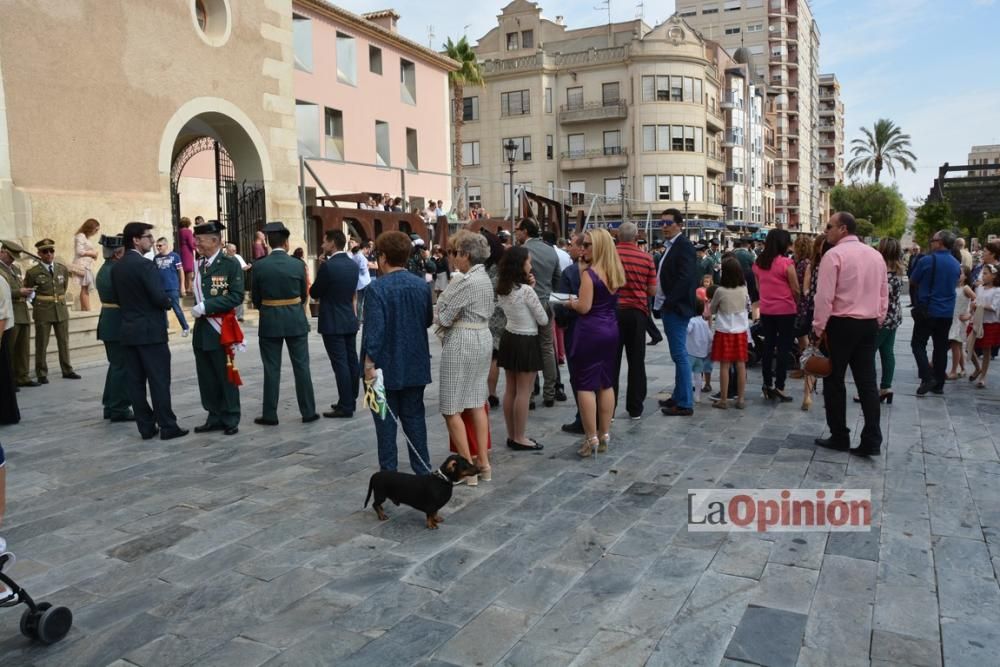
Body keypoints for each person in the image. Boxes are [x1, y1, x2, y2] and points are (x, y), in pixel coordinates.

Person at [813, 212, 888, 457]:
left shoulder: (833, 255)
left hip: (841, 323)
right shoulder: (875, 255)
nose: (827, 231)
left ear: (843, 229)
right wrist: (878, 317)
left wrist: (818, 327)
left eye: (829, 226)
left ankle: (839, 435)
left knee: (834, 380)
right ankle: (872, 438)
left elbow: (824, 297)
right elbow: (882, 293)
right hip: (868, 323)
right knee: (867, 382)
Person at [361, 231, 434, 474]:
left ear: (382, 257)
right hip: (415, 363)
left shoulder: (376, 289)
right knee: (415, 422)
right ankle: (423, 472)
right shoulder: (421, 286)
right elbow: (426, 320)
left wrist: (368, 364)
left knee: (385, 426)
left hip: (383, 367)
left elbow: (374, 332)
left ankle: (389, 476)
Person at [113, 222, 188, 441]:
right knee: (159, 379)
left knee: (135, 382)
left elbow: (117, 299)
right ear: (136, 240)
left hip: (128, 330)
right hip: (150, 332)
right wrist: (167, 302)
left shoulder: (117, 267)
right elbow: (159, 297)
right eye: (148, 237)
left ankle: (145, 426)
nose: (152, 241)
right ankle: (167, 425)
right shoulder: (145, 266)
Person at [435, 231, 494, 484]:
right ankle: (484, 463)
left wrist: (445, 305)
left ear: (466, 255)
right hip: (482, 338)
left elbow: (444, 317)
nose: (454, 257)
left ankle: (467, 468)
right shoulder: (484, 278)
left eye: (456, 252)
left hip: (463, 341)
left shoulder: (467, 281)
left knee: (451, 407)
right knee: (475, 401)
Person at [251, 222, 319, 426]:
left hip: (270, 320)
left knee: (271, 369)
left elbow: (255, 298)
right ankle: (308, 411)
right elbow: (302, 293)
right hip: (295, 320)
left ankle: (270, 414)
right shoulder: (298, 265)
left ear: (269, 243)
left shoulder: (260, 265)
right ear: (286, 242)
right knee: (302, 367)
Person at [567, 229, 623, 456]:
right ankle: (605, 433)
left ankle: (591, 438)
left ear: (598, 247)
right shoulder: (614, 271)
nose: (583, 248)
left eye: (588, 245)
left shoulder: (590, 275)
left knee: (585, 385)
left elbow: (584, 307)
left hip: (590, 331)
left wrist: (571, 303)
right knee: (606, 383)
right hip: (611, 328)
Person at [191, 220, 244, 435]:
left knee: (225, 374)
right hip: (203, 329)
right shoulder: (200, 264)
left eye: (200, 240)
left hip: (221, 328)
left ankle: (231, 416)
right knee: (206, 376)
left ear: (214, 241)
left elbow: (236, 296)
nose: (197, 243)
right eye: (196, 239)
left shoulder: (229, 264)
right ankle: (214, 414)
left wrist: (207, 305)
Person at [496, 245, 547, 451]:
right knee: (524, 392)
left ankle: (511, 434)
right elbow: (542, 319)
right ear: (521, 264)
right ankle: (520, 436)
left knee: (511, 389)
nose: (531, 264)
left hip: (509, 337)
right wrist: (532, 291)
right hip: (526, 339)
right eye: (528, 261)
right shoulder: (526, 291)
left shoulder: (503, 287)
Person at [311, 229, 360, 418]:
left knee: (340, 363)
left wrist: (322, 268)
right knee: (351, 360)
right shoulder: (352, 265)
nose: (322, 245)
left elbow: (315, 292)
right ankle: (349, 398)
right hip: (349, 317)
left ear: (332, 243)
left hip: (332, 320)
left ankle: (346, 405)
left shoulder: (329, 267)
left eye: (324, 242)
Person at [515, 218, 564, 407]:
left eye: (517, 230)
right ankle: (550, 392)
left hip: (527, 304)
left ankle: (530, 395)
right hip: (546, 302)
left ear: (525, 231)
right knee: (547, 348)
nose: (516, 234)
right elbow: (557, 278)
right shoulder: (550, 249)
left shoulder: (522, 252)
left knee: (528, 348)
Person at [655, 209, 698, 416]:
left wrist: (669, 302)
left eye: (668, 223)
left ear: (679, 224)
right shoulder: (671, 246)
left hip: (677, 308)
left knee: (680, 355)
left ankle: (685, 403)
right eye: (661, 222)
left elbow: (686, 278)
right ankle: (679, 395)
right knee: (678, 354)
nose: (664, 226)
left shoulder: (684, 246)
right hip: (670, 306)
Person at [613, 222, 657, 420]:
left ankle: (609, 407)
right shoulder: (647, 258)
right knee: (636, 360)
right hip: (638, 313)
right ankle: (635, 407)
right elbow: (652, 291)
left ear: (618, 236)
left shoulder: (609, 256)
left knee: (611, 361)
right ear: (636, 237)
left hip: (613, 312)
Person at [910, 230, 962, 396]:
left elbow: (913, 280)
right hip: (946, 312)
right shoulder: (955, 263)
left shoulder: (927, 260)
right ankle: (939, 384)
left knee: (918, 344)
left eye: (933, 240)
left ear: (940, 243)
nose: (931, 242)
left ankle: (927, 377)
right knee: (940, 348)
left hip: (928, 309)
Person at [853, 237, 903, 406]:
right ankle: (886, 387)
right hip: (894, 317)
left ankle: (868, 391)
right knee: (887, 352)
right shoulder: (897, 271)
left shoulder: (881, 271)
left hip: (880, 318)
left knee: (866, 355)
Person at [753, 229, 800, 402]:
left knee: (768, 346)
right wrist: (797, 302)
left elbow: (758, 288)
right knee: (783, 348)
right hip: (786, 310)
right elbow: (795, 288)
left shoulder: (758, 263)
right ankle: (780, 386)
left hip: (767, 310)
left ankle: (767, 384)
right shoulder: (786, 263)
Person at [23, 239, 80, 382]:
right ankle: (41, 373)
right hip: (43, 310)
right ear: (39, 254)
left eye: (51, 251)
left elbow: (63, 287)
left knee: (63, 341)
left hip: (60, 309)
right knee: (42, 343)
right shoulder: (33, 272)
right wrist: (39, 302)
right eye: (45, 251)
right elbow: (30, 292)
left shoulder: (61, 269)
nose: (49, 254)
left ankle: (67, 370)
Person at [95, 234, 133, 422]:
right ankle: (119, 408)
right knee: (122, 366)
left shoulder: (105, 269)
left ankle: (110, 404)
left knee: (116, 365)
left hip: (109, 322)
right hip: (118, 323)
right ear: (118, 253)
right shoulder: (117, 271)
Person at [556, 233, 587, 434]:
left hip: (577, 328)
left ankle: (583, 419)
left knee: (579, 377)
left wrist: (562, 322)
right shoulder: (607, 271)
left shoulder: (571, 272)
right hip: (605, 328)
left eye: (572, 245)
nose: (569, 248)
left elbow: (560, 304)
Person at [710, 257, 750, 409]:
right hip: (740, 331)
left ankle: (724, 399)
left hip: (724, 331)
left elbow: (713, 310)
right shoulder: (744, 288)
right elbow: (748, 307)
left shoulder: (720, 291)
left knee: (724, 366)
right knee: (741, 365)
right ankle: (740, 399)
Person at [0, 241, 35, 387]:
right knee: (10, 349)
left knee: (23, 347)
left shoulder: (15, 268)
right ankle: (10, 380)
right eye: (10, 256)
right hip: (10, 312)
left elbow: (19, 285)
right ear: (2, 252)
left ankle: (23, 376)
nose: (13, 259)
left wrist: (26, 292)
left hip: (22, 311)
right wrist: (18, 292)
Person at [970, 264, 999, 388]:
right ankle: (978, 367)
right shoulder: (980, 288)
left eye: (986, 273)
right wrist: (973, 306)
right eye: (983, 273)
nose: (983, 275)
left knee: (986, 350)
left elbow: (994, 307)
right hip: (977, 321)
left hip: (989, 322)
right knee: (969, 346)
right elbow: (975, 301)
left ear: (994, 276)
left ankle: (983, 376)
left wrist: (979, 306)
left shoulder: (997, 290)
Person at [153, 237, 190, 336]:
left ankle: (185, 327)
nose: (158, 248)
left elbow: (181, 271)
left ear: (166, 245)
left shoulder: (175, 256)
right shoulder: (156, 258)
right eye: (157, 246)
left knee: (176, 308)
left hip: (172, 287)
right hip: (161, 288)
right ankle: (164, 329)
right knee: (162, 310)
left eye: (160, 245)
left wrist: (182, 286)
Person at [947, 266, 976, 380]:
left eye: (961, 273)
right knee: (957, 346)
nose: (958, 275)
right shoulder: (953, 287)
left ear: (966, 276)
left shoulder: (966, 288)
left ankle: (954, 371)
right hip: (951, 319)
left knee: (954, 344)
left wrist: (970, 314)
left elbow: (976, 299)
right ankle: (963, 369)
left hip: (959, 320)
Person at [687, 298, 713, 404]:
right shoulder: (705, 323)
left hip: (690, 353)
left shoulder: (691, 321)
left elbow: (687, 330)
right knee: (698, 375)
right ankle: (697, 395)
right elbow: (710, 337)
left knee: (687, 374)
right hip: (701, 354)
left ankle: (687, 393)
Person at [0, 272, 18, 424]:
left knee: (3, 377)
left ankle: (6, 415)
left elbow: (3, 315)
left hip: (2, 332)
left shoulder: (0, 281)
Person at [72, 218, 100, 311]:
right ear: (90, 228)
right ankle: (87, 309)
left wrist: (93, 255)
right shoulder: (80, 236)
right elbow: (79, 251)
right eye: (95, 230)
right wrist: (92, 253)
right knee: (85, 287)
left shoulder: (85, 237)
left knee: (85, 287)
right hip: (82, 265)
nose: (96, 232)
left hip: (87, 265)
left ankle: (85, 309)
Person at [224, 243, 251, 321]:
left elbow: (244, 267)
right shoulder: (224, 258)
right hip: (227, 281)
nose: (234, 251)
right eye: (232, 250)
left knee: (238, 297)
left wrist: (248, 266)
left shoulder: (238, 257)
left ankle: (239, 316)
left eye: (235, 250)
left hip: (237, 281)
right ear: (227, 250)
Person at [178, 217, 197, 294]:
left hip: (181, 250)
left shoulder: (179, 231)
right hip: (187, 251)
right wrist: (196, 248)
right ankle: (189, 288)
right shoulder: (188, 231)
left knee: (183, 269)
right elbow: (191, 243)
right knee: (189, 270)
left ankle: (184, 287)